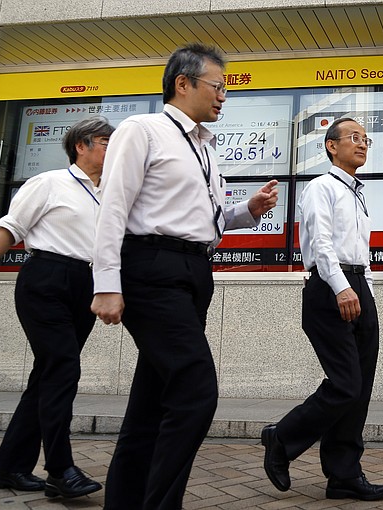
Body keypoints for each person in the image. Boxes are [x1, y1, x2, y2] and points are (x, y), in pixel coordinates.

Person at [90, 42, 278, 509]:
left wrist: (245, 212)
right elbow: (113, 208)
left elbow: (204, 220)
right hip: (152, 270)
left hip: (195, 271)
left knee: (151, 402)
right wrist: (106, 284)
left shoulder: (204, 146)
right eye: (218, 86)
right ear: (183, 83)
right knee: (196, 394)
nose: (224, 96)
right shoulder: (143, 130)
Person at [0, 116, 114, 498]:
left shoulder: (110, 192)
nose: (113, 148)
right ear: (82, 145)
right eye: (106, 141)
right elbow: (8, 231)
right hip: (46, 279)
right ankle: (60, 469)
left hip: (86, 285)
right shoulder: (49, 183)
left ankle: (9, 467)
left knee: (47, 376)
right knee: (63, 368)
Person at [261, 117, 383, 501]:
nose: (362, 144)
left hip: (357, 290)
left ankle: (344, 475)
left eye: (365, 139)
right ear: (331, 146)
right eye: (353, 137)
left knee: (360, 388)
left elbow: (359, 253)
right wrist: (341, 288)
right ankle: (281, 438)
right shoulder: (322, 187)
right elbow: (321, 242)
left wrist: (365, 293)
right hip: (330, 289)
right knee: (346, 384)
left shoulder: (357, 193)